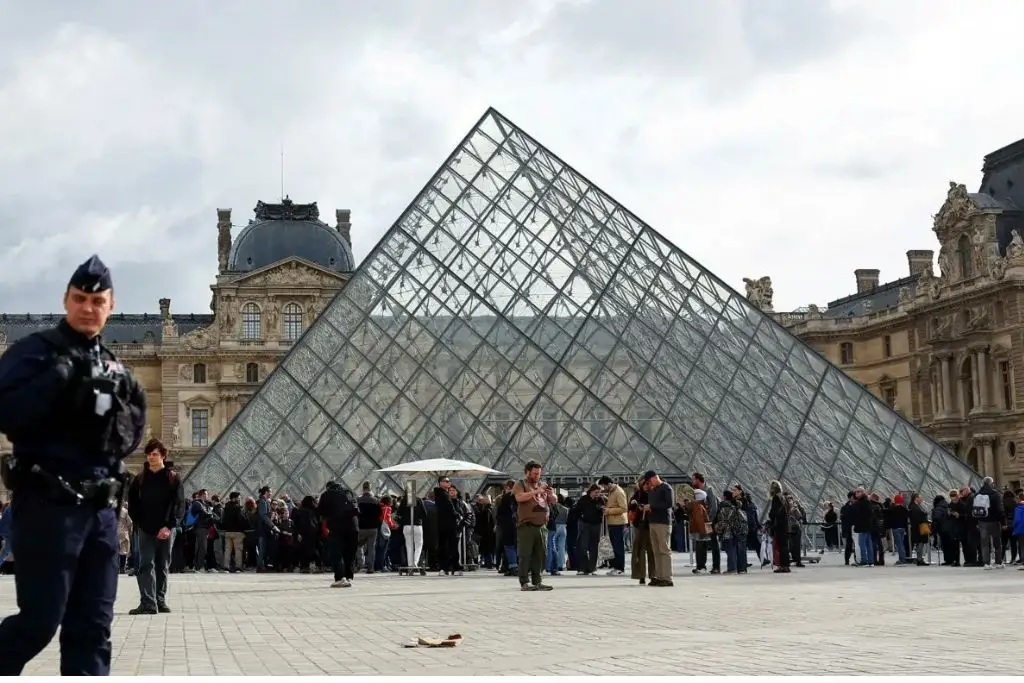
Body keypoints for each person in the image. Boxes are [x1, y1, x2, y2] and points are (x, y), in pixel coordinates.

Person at [0, 255, 147, 675]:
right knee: (38, 622)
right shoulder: (35, 353)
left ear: (110, 305)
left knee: (93, 629)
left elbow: (134, 433)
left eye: (97, 300)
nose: (88, 307)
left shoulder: (116, 369)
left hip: (101, 514)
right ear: (67, 300)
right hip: (49, 506)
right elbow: (5, 412)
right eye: (80, 298)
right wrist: (58, 382)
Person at [126, 438, 184, 615]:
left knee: (162, 565)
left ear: (163, 456)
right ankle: (148, 602)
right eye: (149, 454)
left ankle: (160, 600)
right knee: (145, 565)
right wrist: (140, 523)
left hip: (166, 529)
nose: (151, 457)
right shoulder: (139, 479)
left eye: (155, 454)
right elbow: (133, 504)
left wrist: (169, 526)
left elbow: (179, 504)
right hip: (146, 529)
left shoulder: (173, 479)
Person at [512, 460, 556, 591]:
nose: (537, 476)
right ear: (527, 472)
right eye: (534, 473)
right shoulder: (520, 484)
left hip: (541, 526)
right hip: (527, 525)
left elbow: (554, 500)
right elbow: (519, 498)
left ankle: (538, 581)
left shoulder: (542, 484)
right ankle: (524, 581)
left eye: (539, 474)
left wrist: (551, 494)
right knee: (525, 554)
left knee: (540, 554)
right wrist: (536, 491)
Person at [318, 481, 359, 588]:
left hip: (337, 526)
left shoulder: (326, 495)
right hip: (353, 527)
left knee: (336, 552)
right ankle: (348, 575)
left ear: (328, 487)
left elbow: (321, 513)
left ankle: (340, 578)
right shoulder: (350, 493)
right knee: (349, 552)